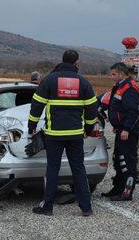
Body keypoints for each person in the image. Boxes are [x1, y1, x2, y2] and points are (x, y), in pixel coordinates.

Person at [28, 50, 98, 216]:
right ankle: (86, 208)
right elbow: (91, 109)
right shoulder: (83, 82)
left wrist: (31, 126)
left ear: (62, 61)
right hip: (75, 135)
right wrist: (88, 129)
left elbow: (36, 105)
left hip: (54, 135)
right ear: (77, 63)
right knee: (79, 169)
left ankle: (47, 207)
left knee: (53, 169)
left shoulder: (50, 80)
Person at [101, 62, 139, 201]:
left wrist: (126, 129)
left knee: (127, 160)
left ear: (122, 74)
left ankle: (127, 191)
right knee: (118, 160)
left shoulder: (129, 88)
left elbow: (133, 112)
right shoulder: (120, 86)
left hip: (128, 131)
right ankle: (117, 187)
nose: (111, 77)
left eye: (113, 74)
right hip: (120, 129)